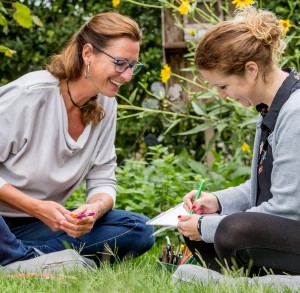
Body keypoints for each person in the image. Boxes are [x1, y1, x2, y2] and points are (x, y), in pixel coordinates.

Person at [0, 11, 155, 270]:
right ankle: (23, 260)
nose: (127, 76)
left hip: (37, 226)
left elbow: (103, 180)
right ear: (88, 54)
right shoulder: (29, 95)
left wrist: (93, 210)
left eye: (132, 66)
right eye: (120, 63)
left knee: (139, 229)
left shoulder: (107, 105)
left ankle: (25, 258)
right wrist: (36, 207)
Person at [176, 7, 300, 276]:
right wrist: (217, 202)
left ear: (251, 70)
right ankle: (254, 271)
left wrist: (209, 227)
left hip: (292, 224)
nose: (222, 95)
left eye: (223, 86)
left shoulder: (295, 112)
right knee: (201, 228)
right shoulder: (270, 109)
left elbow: (288, 210)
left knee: (231, 231)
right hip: (286, 233)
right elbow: (261, 190)